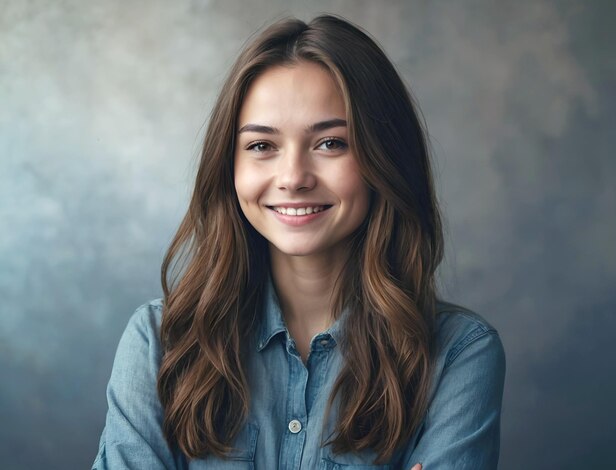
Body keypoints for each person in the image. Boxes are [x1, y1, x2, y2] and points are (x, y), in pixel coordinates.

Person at [93, 14, 505, 470]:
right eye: (261, 146)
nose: (293, 178)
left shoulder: (460, 354)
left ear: (384, 158)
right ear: (228, 166)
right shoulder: (158, 343)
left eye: (330, 143)